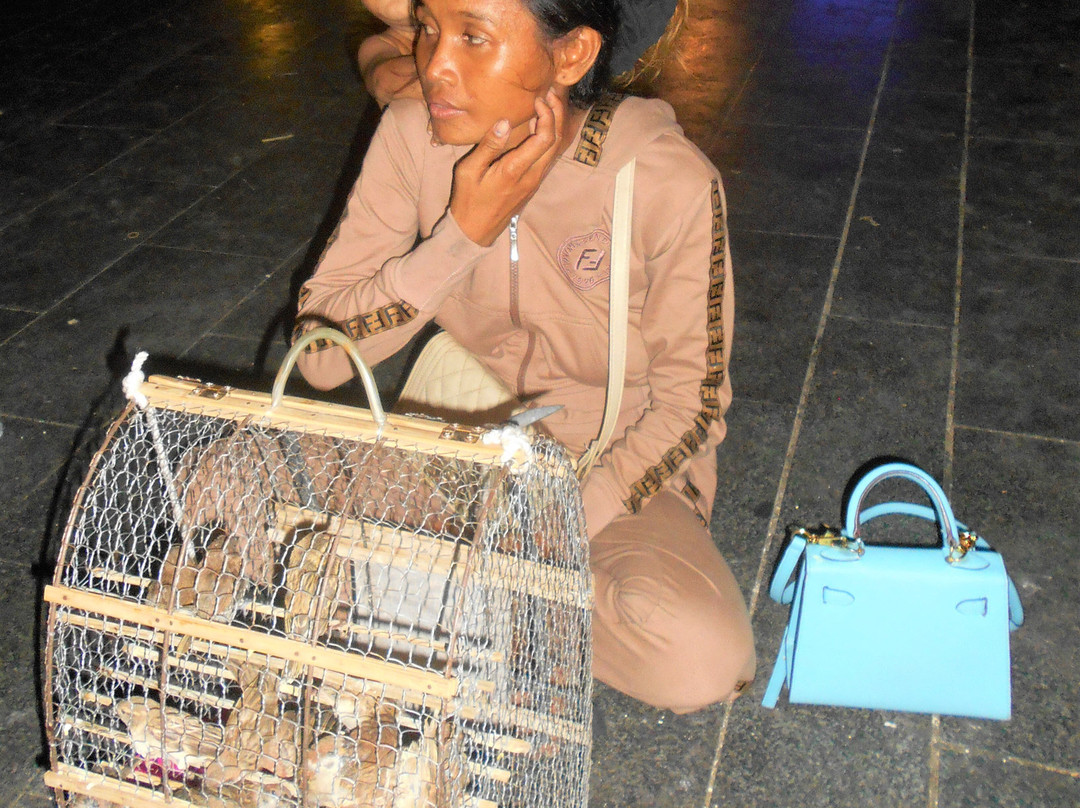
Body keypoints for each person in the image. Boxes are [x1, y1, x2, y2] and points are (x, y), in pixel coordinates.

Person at [295, 0, 755, 713]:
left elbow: (692, 409)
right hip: (461, 442)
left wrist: (564, 521)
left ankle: (454, 595)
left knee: (698, 658)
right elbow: (319, 358)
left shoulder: (669, 181)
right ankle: (498, 604)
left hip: (616, 476)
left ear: (570, 56)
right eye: (426, 29)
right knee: (226, 481)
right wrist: (461, 235)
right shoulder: (413, 135)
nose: (436, 65)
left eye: (474, 37)